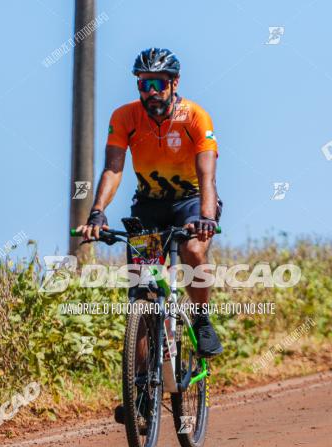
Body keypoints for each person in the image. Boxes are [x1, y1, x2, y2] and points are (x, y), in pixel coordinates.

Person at [77, 47, 223, 356]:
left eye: (159, 84)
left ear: (175, 83)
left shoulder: (195, 117)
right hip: (149, 204)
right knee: (142, 290)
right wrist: (97, 213)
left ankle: (202, 319)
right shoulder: (125, 116)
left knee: (193, 249)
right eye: (145, 85)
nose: (152, 93)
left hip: (191, 202)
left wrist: (207, 217)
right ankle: (140, 392)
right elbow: (113, 169)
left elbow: (207, 174)